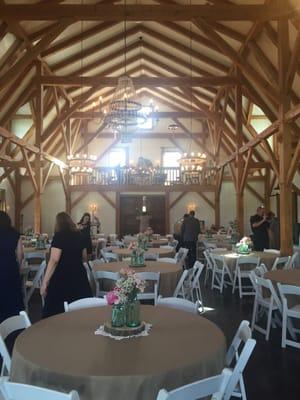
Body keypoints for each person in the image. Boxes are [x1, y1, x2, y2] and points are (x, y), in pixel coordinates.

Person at [41, 212, 92, 318]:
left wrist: (45, 282)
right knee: (81, 309)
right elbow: (84, 257)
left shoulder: (59, 236)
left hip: (62, 276)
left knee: (57, 311)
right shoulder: (79, 234)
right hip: (79, 274)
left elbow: (54, 260)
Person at [0, 211, 24, 323]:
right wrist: (18, 267)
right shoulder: (15, 233)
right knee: (13, 295)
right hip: (10, 266)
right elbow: (20, 255)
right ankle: (14, 322)